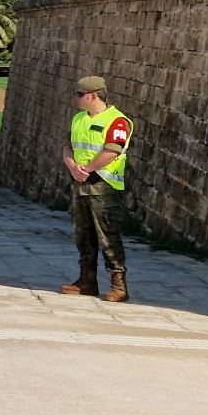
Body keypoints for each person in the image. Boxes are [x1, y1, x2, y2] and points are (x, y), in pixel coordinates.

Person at [61, 76, 133, 303]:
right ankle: (86, 280)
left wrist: (88, 169)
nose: (76, 98)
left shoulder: (118, 121)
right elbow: (68, 146)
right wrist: (73, 167)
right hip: (81, 182)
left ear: (93, 96)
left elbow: (112, 150)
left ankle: (119, 285)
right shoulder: (79, 119)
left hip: (104, 185)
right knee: (83, 234)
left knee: (108, 234)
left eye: (79, 94)